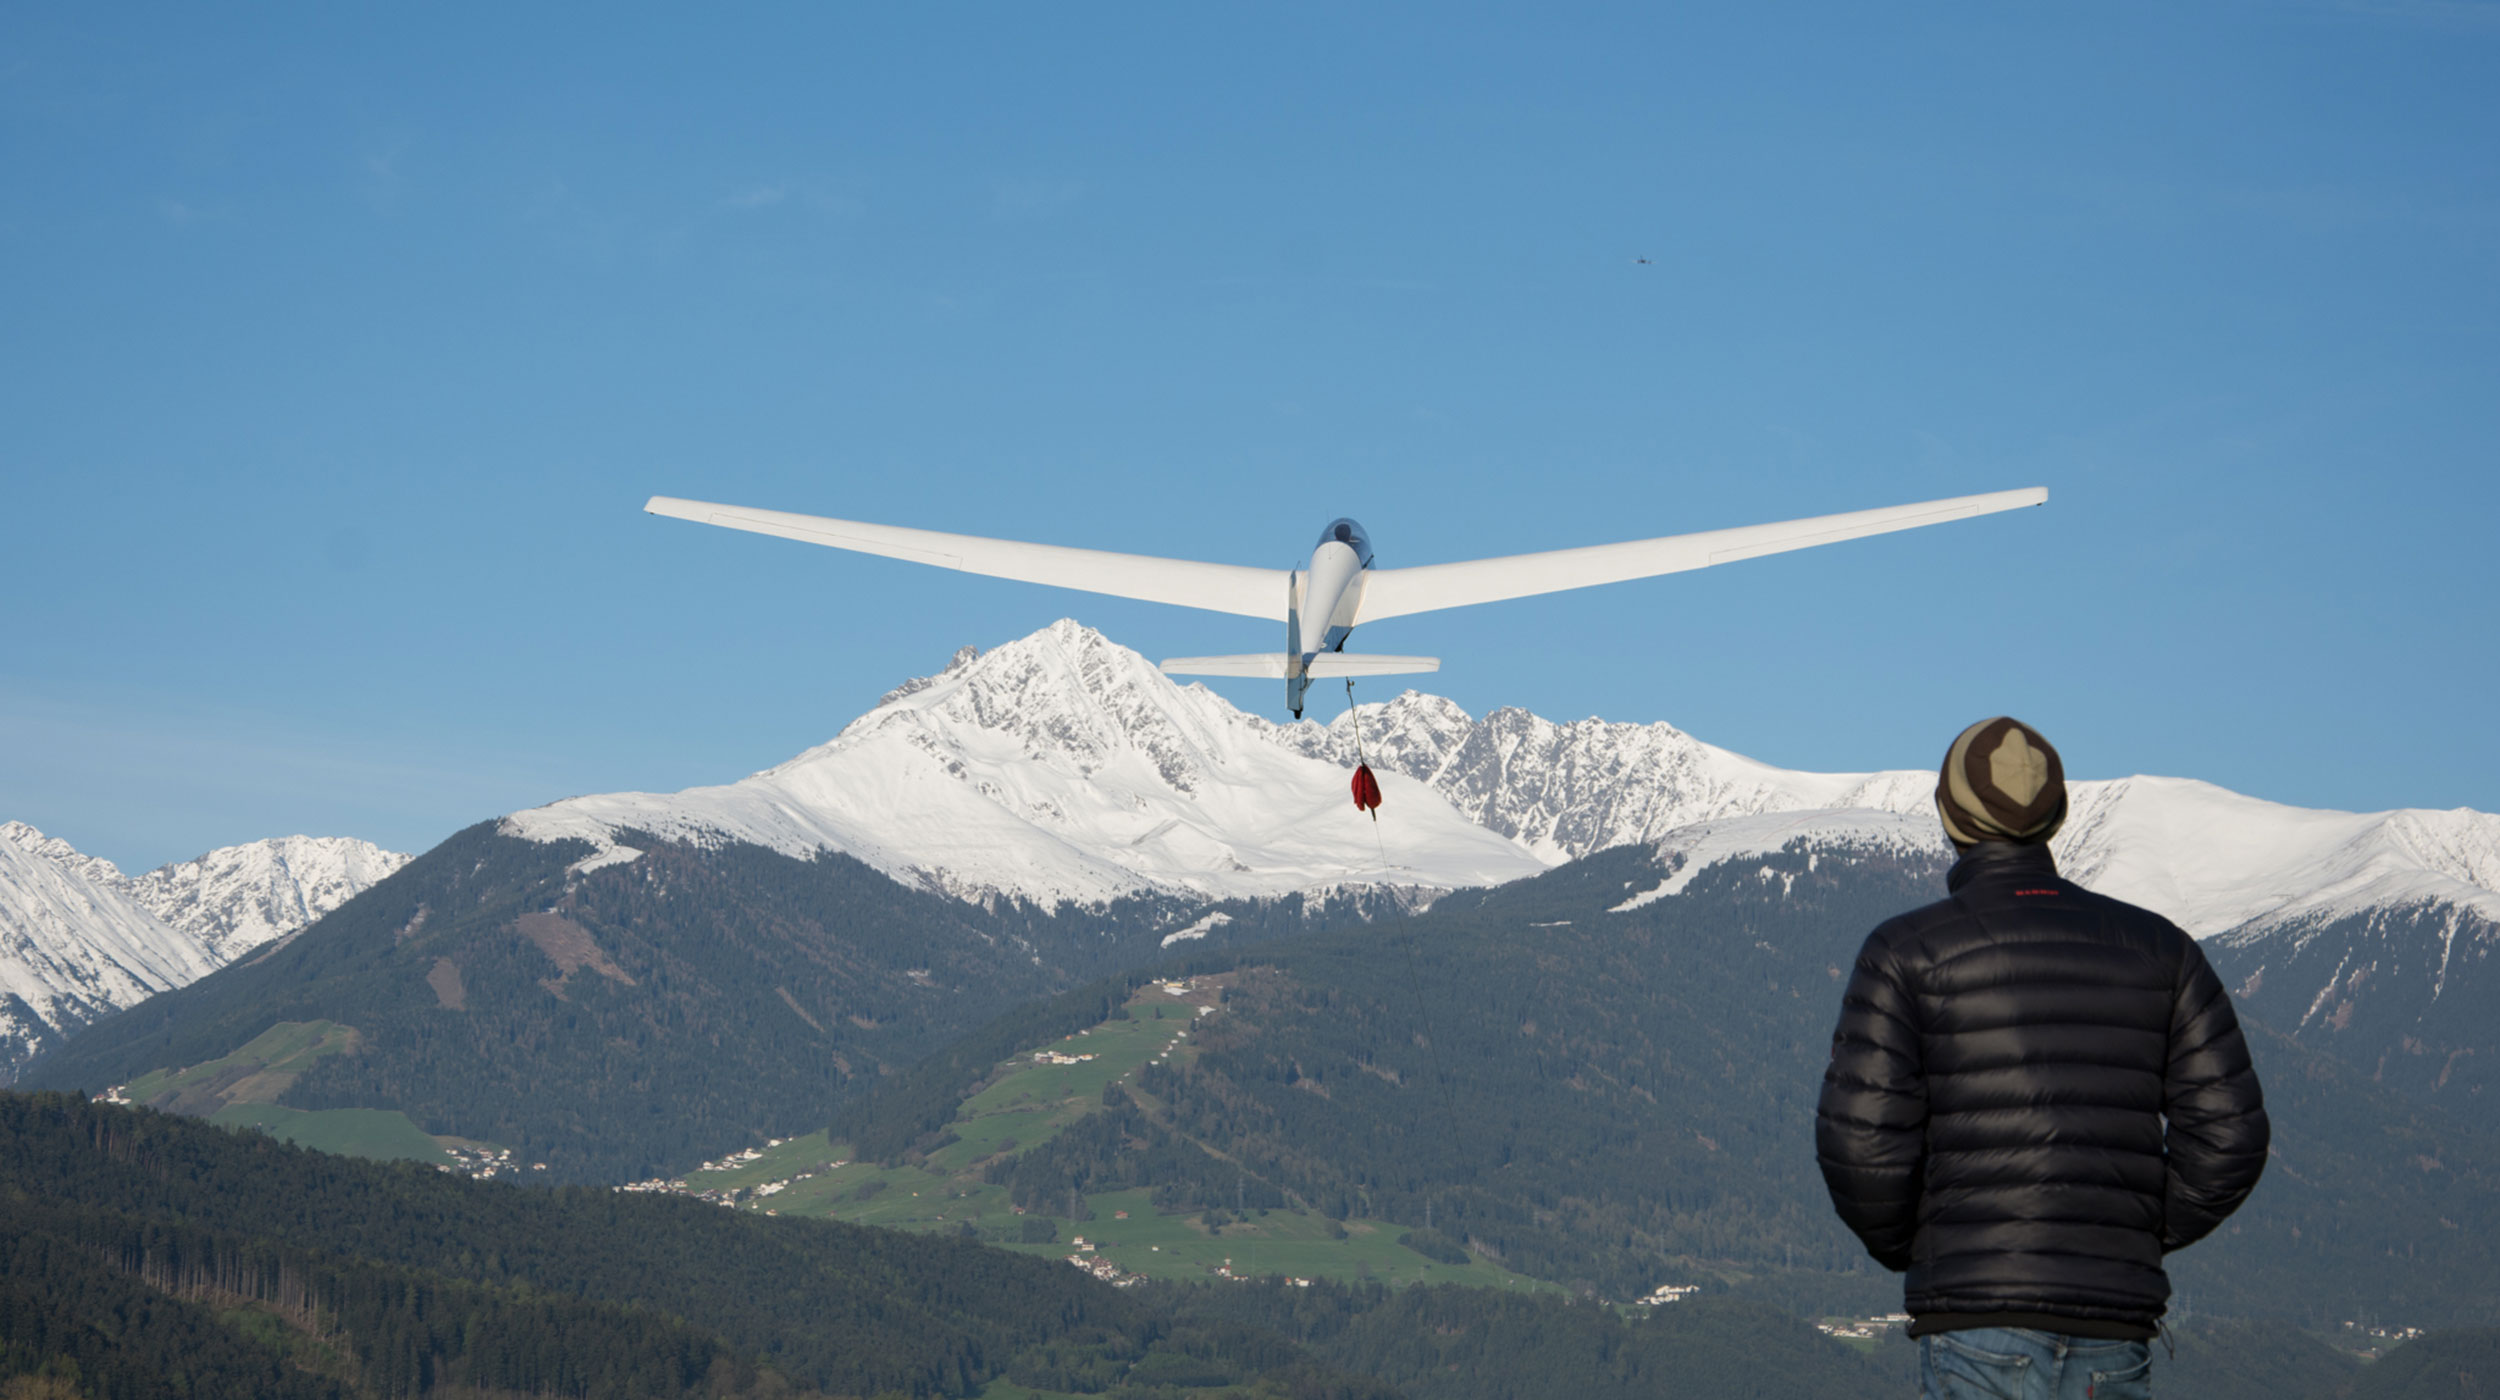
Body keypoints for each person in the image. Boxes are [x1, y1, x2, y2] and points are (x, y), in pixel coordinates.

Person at [1816, 717, 2269, 1400]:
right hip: (2116, 1327)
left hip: (1974, 1318)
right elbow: (2231, 1135)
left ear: (1947, 814)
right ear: (2055, 817)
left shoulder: (1905, 950)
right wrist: (2125, 1231)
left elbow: (1861, 1143)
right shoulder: (2162, 950)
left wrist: (1924, 1246)